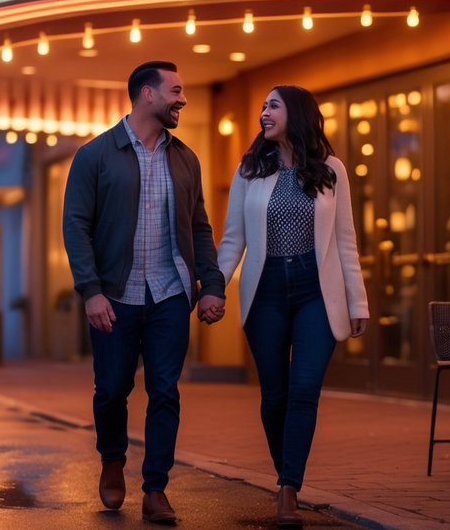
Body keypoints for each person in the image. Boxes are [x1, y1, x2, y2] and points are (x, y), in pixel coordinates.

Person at [63, 60, 226, 525]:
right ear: (147, 95)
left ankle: (156, 488)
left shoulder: (185, 158)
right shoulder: (95, 155)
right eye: (175, 90)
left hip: (170, 293)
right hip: (115, 295)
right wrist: (91, 291)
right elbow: (75, 226)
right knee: (112, 389)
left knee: (165, 391)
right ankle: (113, 459)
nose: (182, 99)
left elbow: (199, 228)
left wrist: (210, 285)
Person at [216, 85, 369, 528]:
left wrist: (357, 300)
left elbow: (345, 241)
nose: (264, 113)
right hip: (264, 291)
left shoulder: (332, 170)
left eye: (273, 106)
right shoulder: (249, 170)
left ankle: (288, 487)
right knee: (274, 395)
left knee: (304, 389)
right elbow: (233, 241)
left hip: (315, 291)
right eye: (262, 106)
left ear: (296, 113)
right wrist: (212, 288)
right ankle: (286, 471)